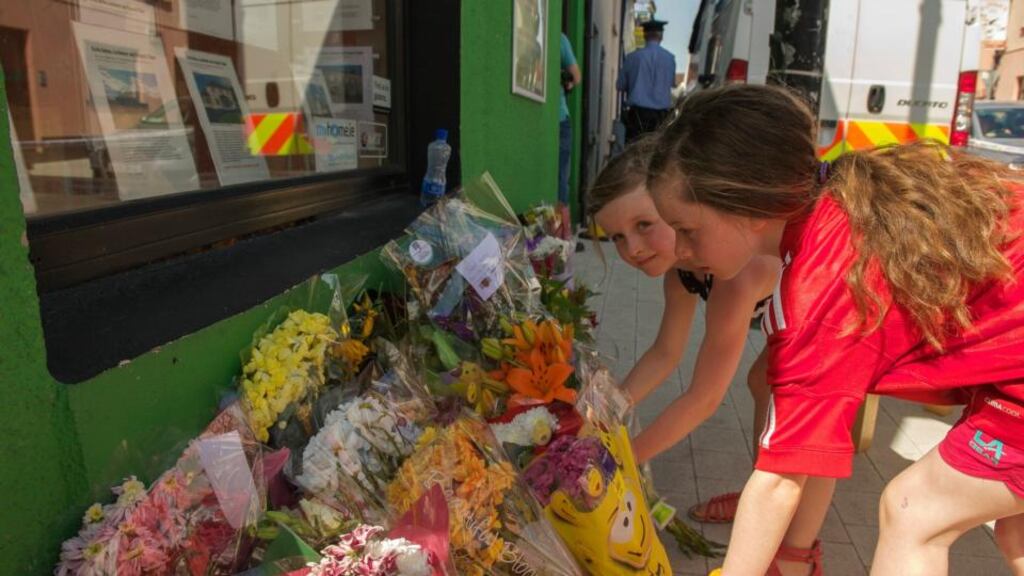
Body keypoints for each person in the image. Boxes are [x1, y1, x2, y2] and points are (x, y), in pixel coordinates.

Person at [648, 83, 1024, 576]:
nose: (678, 251)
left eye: (688, 230)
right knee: (1011, 523)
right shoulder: (844, 200)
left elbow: (781, 479)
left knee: (915, 513)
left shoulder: (817, 290)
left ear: (748, 206)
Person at [586, 136, 780, 483]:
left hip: (832, 301)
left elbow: (704, 398)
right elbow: (665, 353)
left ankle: (768, 496)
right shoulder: (680, 274)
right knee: (762, 381)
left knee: (779, 390)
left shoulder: (733, 277)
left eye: (643, 225)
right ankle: (760, 487)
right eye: (616, 237)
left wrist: (620, 460)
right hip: (787, 309)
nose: (632, 249)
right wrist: (602, 414)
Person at [617, 19, 676, 142]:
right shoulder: (670, 59)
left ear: (644, 35)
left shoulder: (633, 58)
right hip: (661, 117)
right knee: (656, 154)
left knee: (634, 152)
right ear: (661, 36)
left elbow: (620, 85)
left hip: (638, 115)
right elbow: (671, 84)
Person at [559, 32, 581, 209]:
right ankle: (562, 231)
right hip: (560, 116)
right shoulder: (560, 39)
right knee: (561, 176)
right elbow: (576, 76)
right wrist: (567, 83)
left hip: (559, 116)